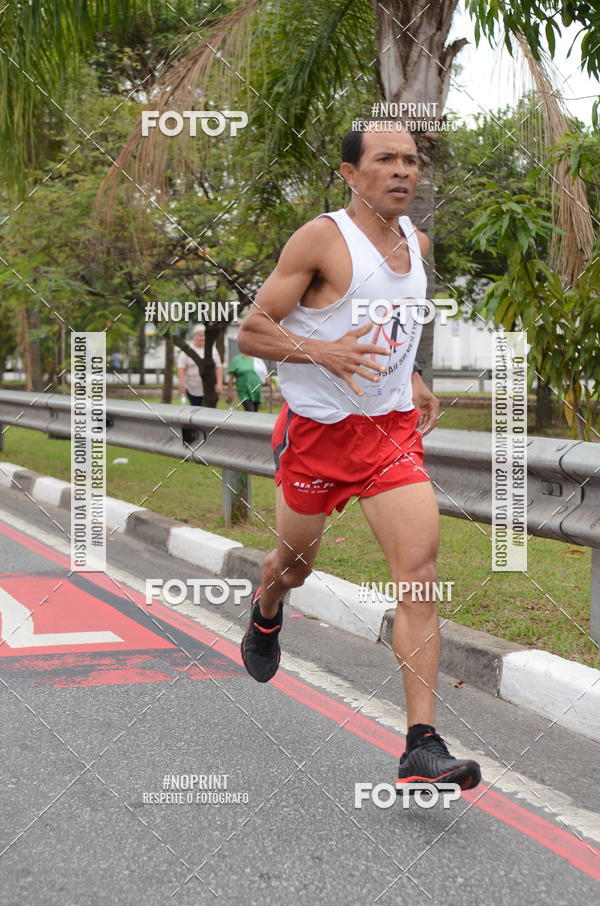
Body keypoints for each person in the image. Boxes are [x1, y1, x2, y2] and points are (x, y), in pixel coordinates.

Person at [237, 119, 481, 792]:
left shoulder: (416, 243)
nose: (403, 171)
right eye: (385, 160)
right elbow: (253, 329)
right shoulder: (322, 239)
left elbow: (393, 326)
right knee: (295, 566)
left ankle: (420, 746)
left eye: (410, 160)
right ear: (350, 173)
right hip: (317, 435)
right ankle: (266, 609)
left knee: (420, 570)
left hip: (388, 434)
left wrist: (412, 378)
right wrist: (326, 353)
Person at [177, 324, 223, 406]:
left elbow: (218, 367)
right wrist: (182, 383)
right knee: (195, 407)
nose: (203, 338)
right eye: (200, 335)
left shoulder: (212, 349)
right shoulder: (187, 350)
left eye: (204, 335)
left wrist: (219, 384)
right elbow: (181, 368)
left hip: (210, 387)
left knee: (209, 409)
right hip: (192, 387)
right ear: (194, 336)